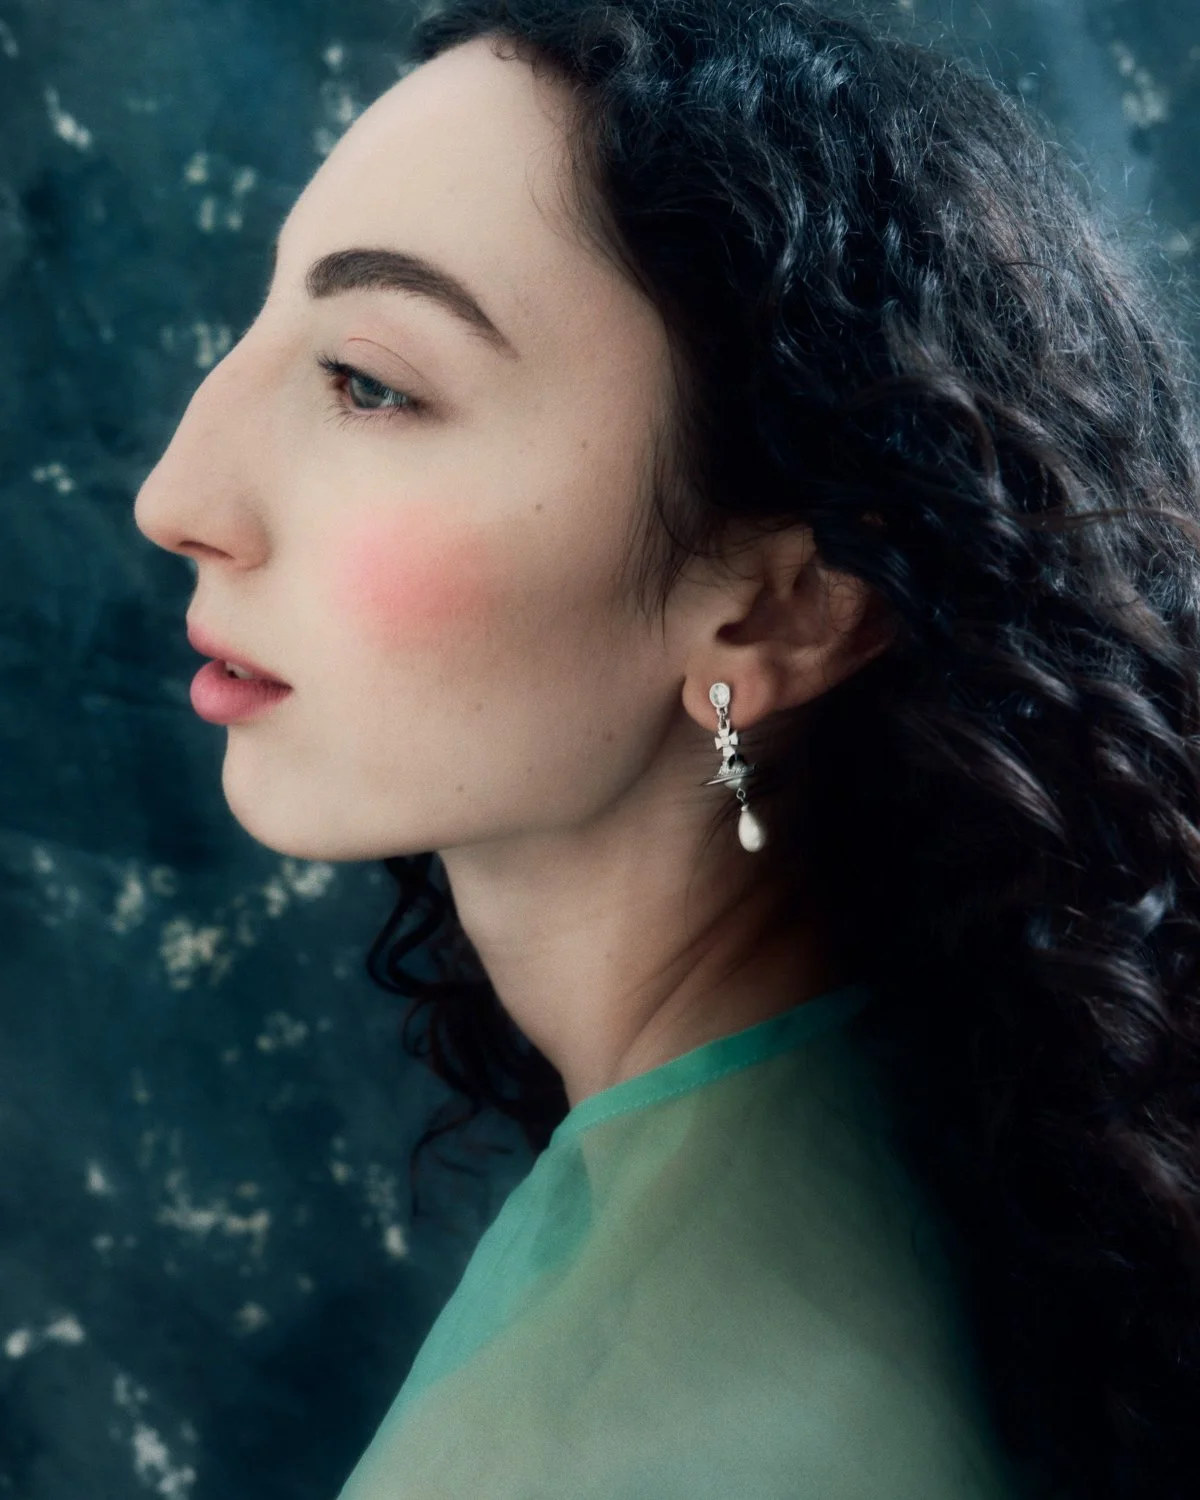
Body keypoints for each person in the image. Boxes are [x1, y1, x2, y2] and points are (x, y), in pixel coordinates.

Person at [132, 0, 1200, 1495]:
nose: (175, 498)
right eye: (263, 330)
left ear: (782, 608)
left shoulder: (610, 1447)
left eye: (372, 382)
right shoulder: (955, 1130)